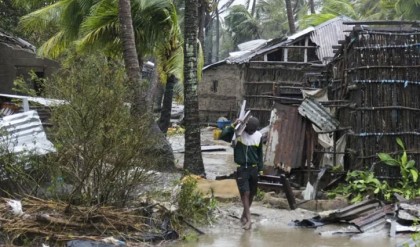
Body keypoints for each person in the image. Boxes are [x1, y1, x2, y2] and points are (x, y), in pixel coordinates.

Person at [220, 116, 264, 230]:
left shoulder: (259, 136)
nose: (250, 132)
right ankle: (249, 220)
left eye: (253, 130)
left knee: (252, 193)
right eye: (249, 130)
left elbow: (260, 154)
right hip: (242, 169)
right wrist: (233, 125)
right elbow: (223, 136)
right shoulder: (238, 134)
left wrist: (261, 169)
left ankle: (244, 216)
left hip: (254, 169)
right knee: (245, 193)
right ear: (245, 127)